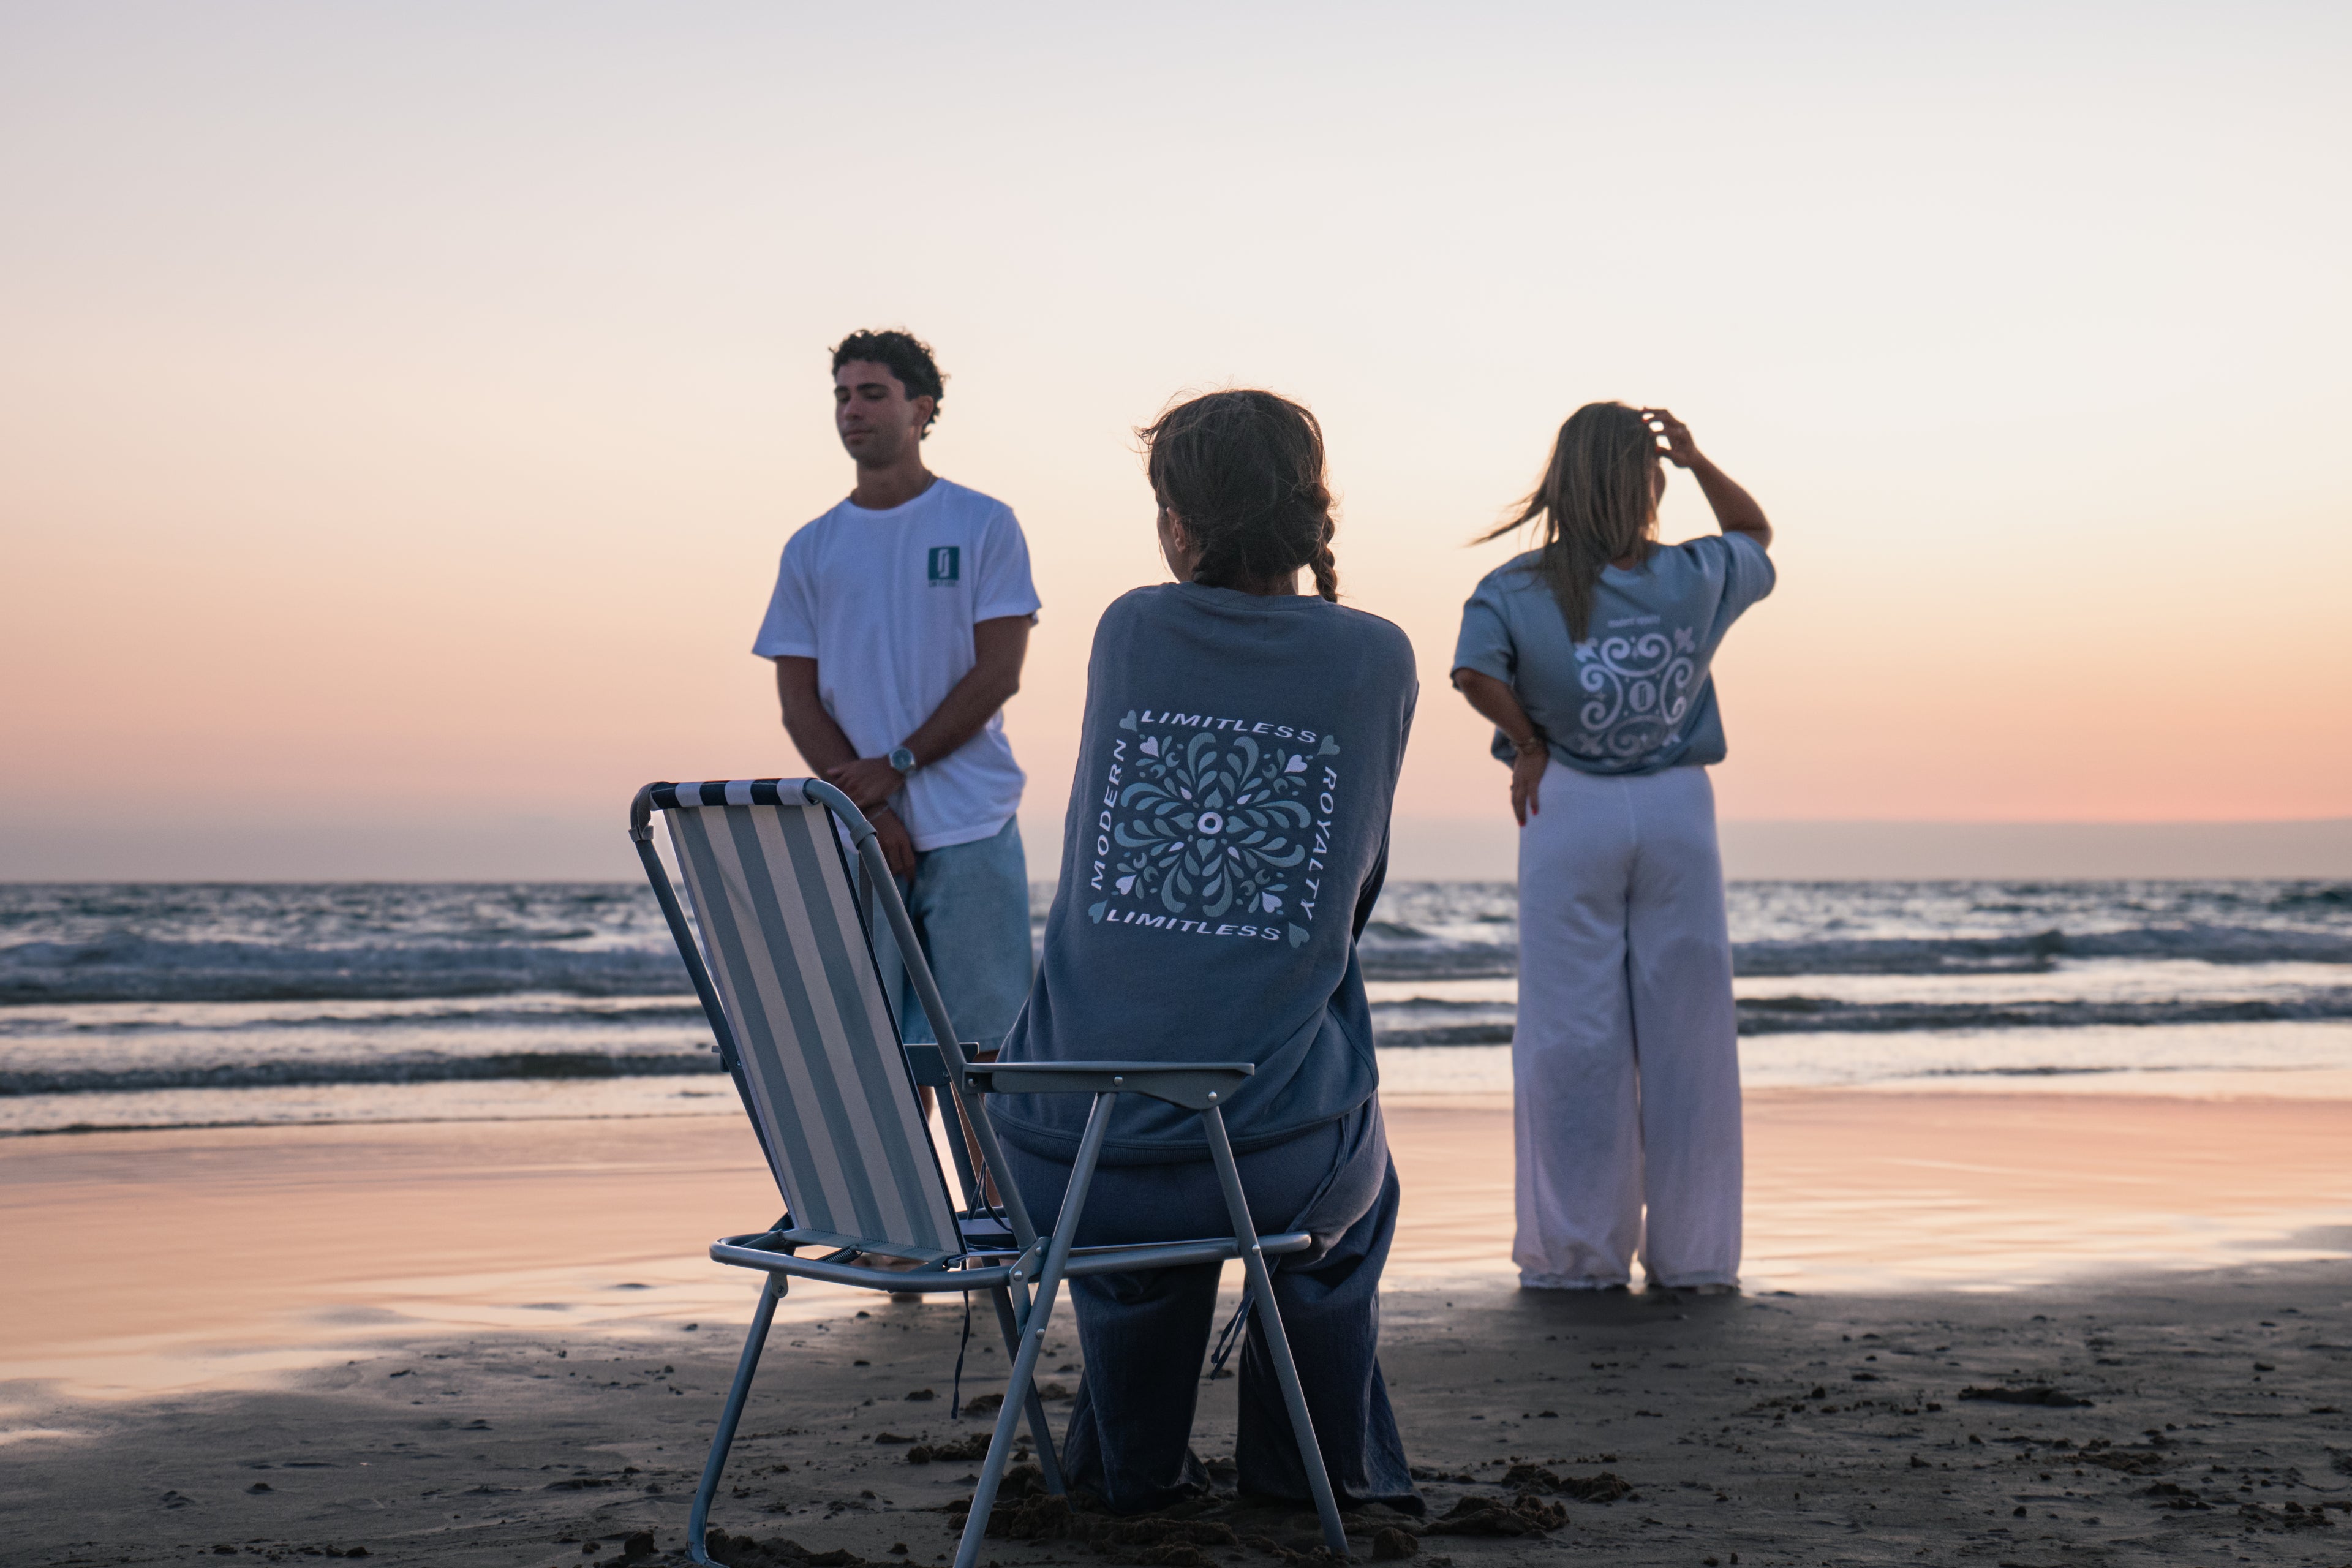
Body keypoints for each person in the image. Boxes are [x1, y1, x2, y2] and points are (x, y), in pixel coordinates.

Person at [992, 390, 1421, 1517]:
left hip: (1054, 1157)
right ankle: (1312, 1480)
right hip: (1260, 1156)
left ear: (1181, 522)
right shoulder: (1374, 656)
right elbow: (1352, 893)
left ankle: (1130, 1470)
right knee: (1340, 1200)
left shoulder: (1129, 628)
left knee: (1144, 1109)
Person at [1450, 404, 1774, 1294]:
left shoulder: (1514, 588)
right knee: (1689, 1034)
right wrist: (1702, 457)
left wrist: (1528, 741)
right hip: (1676, 808)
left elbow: (1475, 672)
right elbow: (1756, 531)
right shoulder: (1696, 573)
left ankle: (1578, 1255)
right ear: (1649, 483)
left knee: (1571, 1033)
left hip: (1570, 805)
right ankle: (1697, 1255)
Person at [753, 329, 1041, 1053]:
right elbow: (799, 702)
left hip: (971, 823)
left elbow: (998, 672)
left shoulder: (982, 523)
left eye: (872, 394)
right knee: (882, 1059)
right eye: (843, 396)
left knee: (987, 1057)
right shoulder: (810, 546)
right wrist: (870, 804)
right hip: (863, 836)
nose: (853, 410)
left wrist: (901, 762)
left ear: (922, 408)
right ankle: (909, 1177)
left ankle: (988, 1178)